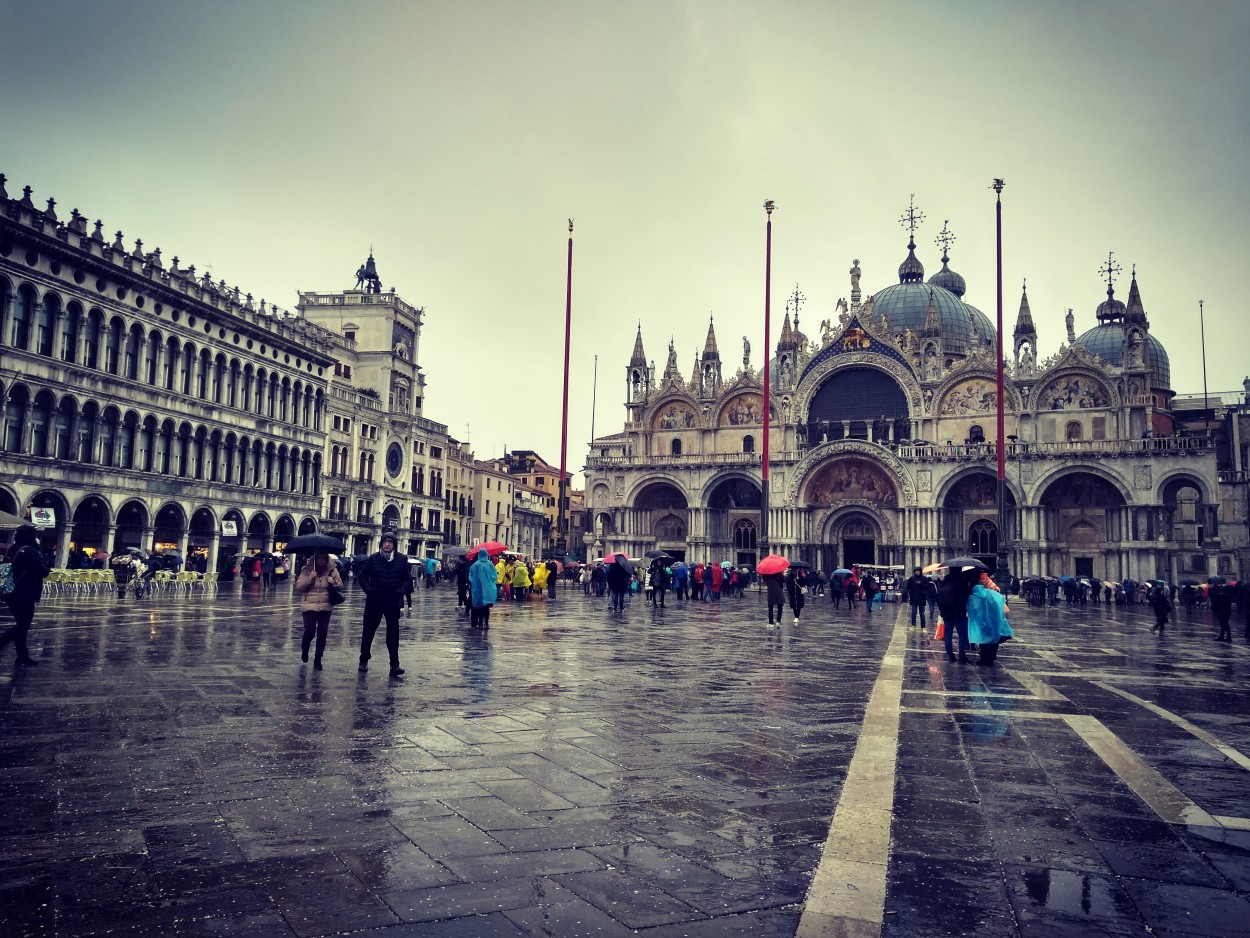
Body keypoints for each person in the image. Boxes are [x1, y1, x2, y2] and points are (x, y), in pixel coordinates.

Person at [355, 531, 412, 678]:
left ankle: (395, 665)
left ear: (394, 544)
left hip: (393, 602)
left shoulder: (401, 559)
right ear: (381, 544)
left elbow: (408, 580)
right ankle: (363, 660)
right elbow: (362, 577)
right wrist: (370, 591)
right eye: (385, 542)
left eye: (390, 542)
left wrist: (401, 591)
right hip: (375, 601)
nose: (387, 544)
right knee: (368, 631)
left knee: (393, 634)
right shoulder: (373, 559)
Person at [1, 525, 48, 667]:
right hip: (25, 593)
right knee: (23, 625)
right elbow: (41, 572)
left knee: (21, 624)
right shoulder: (31, 552)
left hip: (10, 591)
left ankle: (22, 656)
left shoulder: (12, 549)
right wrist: (47, 568)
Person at [294, 550, 344, 670]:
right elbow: (299, 587)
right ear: (315, 559)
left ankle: (318, 659)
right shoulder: (307, 570)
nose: (321, 561)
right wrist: (310, 578)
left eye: (324, 558)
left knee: (322, 633)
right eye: (319, 558)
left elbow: (341, 586)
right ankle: (305, 649)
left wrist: (334, 582)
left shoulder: (333, 571)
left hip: (325, 607)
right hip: (309, 606)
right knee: (309, 631)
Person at [967, 572, 1013, 666]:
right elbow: (1000, 602)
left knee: (983, 638)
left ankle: (984, 658)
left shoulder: (972, 596)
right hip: (994, 619)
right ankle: (991, 656)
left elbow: (972, 609)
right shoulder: (991, 593)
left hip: (980, 620)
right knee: (994, 637)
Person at [936, 571, 972, 663]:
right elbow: (968, 595)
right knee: (962, 633)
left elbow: (939, 598)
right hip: (958, 613)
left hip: (946, 613)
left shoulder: (943, 584)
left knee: (948, 633)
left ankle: (950, 656)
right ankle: (962, 656)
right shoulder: (960, 584)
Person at [468, 548, 498, 629]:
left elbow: (471, 577)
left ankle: (480, 623)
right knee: (486, 607)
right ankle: (486, 623)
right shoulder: (490, 564)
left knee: (480, 607)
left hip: (478, 588)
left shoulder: (475, 565)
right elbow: (494, 576)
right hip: (488, 588)